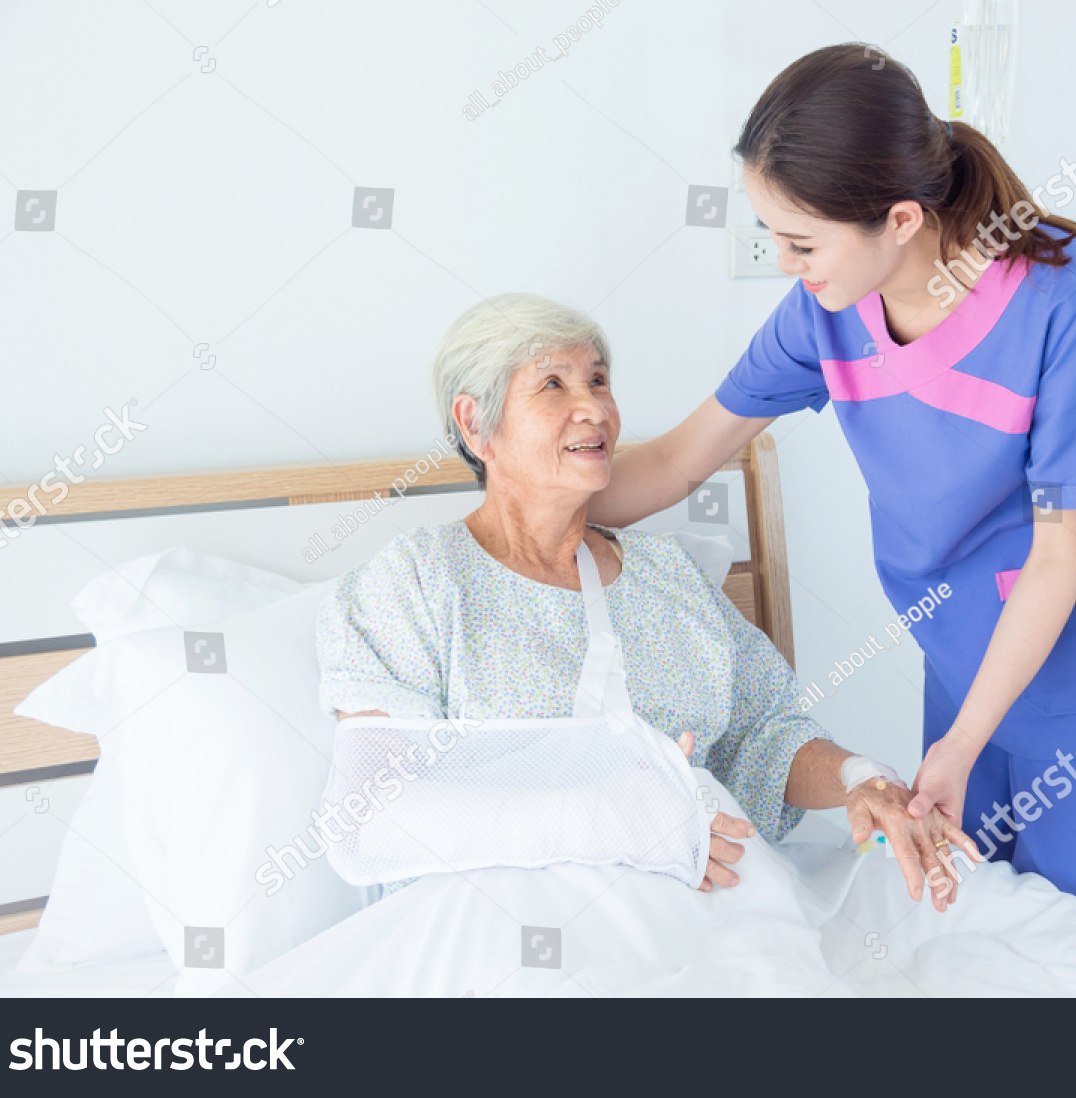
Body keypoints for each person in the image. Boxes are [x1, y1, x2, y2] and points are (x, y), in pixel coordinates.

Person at [589, 45, 1076, 948]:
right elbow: (684, 459)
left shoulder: (1070, 304)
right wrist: (537, 498)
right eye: (771, 234)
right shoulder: (828, 308)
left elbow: (1059, 554)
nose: (781, 262)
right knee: (978, 945)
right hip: (969, 660)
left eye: (800, 241)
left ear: (898, 218)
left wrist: (959, 745)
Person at [316, 292, 983, 909]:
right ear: (475, 424)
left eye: (599, 380)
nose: (596, 409)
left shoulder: (666, 577)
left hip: (709, 910)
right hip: (507, 929)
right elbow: (370, 817)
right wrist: (617, 823)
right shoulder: (414, 583)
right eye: (554, 384)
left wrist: (857, 778)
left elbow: (769, 735)